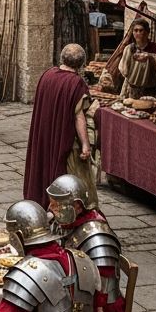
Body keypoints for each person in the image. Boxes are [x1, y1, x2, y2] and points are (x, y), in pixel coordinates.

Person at [22, 43, 96, 210]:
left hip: (44, 134)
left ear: (62, 58)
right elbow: (79, 116)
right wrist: (85, 144)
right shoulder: (75, 83)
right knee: (65, 174)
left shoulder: (47, 75)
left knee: (43, 164)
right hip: (62, 137)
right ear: (81, 63)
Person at [48, 173, 124, 312]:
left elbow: (101, 294)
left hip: (97, 311)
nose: (51, 208)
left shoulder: (97, 237)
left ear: (76, 205)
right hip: (73, 293)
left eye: (57, 205)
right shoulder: (65, 222)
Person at [117, 18, 156, 98]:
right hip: (132, 89)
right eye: (135, 30)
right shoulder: (129, 49)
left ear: (147, 32)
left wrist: (151, 59)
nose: (138, 33)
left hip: (150, 90)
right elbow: (124, 71)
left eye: (141, 30)